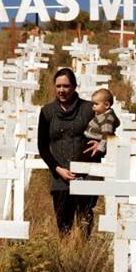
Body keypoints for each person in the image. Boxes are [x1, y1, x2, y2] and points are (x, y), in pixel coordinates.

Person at [37, 68, 97, 236]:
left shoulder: (89, 109)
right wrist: (57, 169)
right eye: (58, 86)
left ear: (74, 86)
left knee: (85, 226)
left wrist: (101, 146)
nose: (61, 90)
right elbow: (42, 146)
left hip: (86, 175)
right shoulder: (47, 112)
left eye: (66, 86)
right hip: (60, 178)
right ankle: (66, 258)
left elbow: (108, 128)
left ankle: (84, 259)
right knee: (64, 229)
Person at [83, 88, 121, 160]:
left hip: (94, 141)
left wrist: (100, 147)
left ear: (106, 105)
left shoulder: (107, 118)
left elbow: (107, 134)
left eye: (96, 104)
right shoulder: (102, 114)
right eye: (93, 103)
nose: (93, 106)